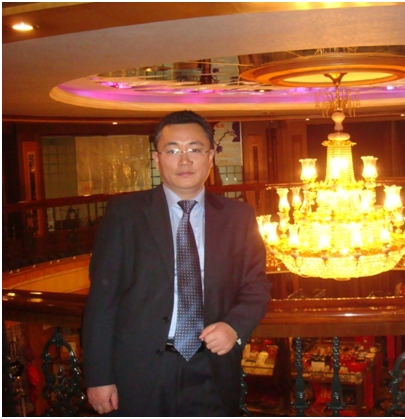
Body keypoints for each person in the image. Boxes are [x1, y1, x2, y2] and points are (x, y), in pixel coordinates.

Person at [82, 110, 271, 416]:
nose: (184, 161)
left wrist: (234, 326)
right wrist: (99, 376)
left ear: (210, 157)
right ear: (157, 159)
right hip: (139, 371)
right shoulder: (125, 214)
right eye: (172, 151)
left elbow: (256, 286)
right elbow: (103, 300)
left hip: (212, 367)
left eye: (194, 149)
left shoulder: (238, 216)